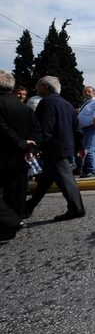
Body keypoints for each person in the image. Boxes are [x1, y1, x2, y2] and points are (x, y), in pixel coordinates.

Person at [25, 76, 86, 222]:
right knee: (46, 179)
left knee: (66, 180)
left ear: (45, 87)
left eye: (38, 85)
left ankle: (77, 208)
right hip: (64, 147)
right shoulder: (67, 104)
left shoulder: (46, 102)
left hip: (54, 148)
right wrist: (80, 146)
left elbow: (45, 127)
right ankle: (28, 206)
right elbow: (77, 127)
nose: (36, 88)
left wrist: (35, 147)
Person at [0, 71, 40, 242]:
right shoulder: (24, 108)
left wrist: (23, 144)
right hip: (19, 157)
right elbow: (36, 130)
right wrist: (30, 146)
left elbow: (2, 128)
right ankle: (10, 227)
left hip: (5, 153)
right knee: (15, 192)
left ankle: (10, 222)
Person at [76, 86, 95, 177]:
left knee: (89, 149)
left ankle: (90, 170)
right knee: (92, 149)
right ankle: (94, 168)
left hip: (91, 128)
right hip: (85, 129)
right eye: (85, 92)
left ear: (94, 93)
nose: (86, 93)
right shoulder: (87, 103)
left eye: (89, 91)